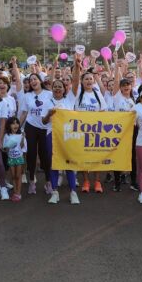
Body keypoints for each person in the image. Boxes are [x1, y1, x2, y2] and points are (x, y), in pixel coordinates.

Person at [70, 54, 107, 194]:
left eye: (91, 79)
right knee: (83, 157)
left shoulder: (98, 94)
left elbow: (103, 112)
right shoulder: (78, 94)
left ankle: (97, 181)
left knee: (96, 157)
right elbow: (74, 112)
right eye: (86, 79)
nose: (89, 81)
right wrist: (77, 64)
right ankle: (86, 180)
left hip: (96, 132)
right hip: (81, 131)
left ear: (93, 81)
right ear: (82, 81)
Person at [44, 79, 78, 204]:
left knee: (68, 162)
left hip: (67, 135)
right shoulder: (47, 102)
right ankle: (54, 192)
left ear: (64, 89)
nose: (58, 88)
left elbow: (76, 82)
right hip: (51, 135)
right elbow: (43, 121)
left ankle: (73, 192)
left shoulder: (69, 100)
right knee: (54, 163)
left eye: (60, 87)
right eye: (55, 86)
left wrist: (77, 64)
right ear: (52, 89)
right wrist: (49, 114)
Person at [18, 73, 53, 195]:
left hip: (46, 128)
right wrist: (18, 127)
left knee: (46, 156)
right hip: (31, 126)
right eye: (31, 80)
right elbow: (24, 113)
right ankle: (31, 181)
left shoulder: (49, 94)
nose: (33, 81)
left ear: (40, 80)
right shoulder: (27, 96)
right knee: (31, 155)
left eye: (35, 79)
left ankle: (48, 182)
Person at [3, 118, 26, 202]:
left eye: (17, 123)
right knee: (13, 175)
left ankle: (18, 193)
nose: (15, 125)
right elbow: (5, 149)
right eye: (13, 124)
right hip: (11, 158)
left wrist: (23, 137)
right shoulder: (6, 136)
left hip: (19, 158)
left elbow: (23, 147)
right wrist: (7, 148)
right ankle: (15, 192)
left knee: (18, 175)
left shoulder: (20, 135)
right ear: (9, 125)